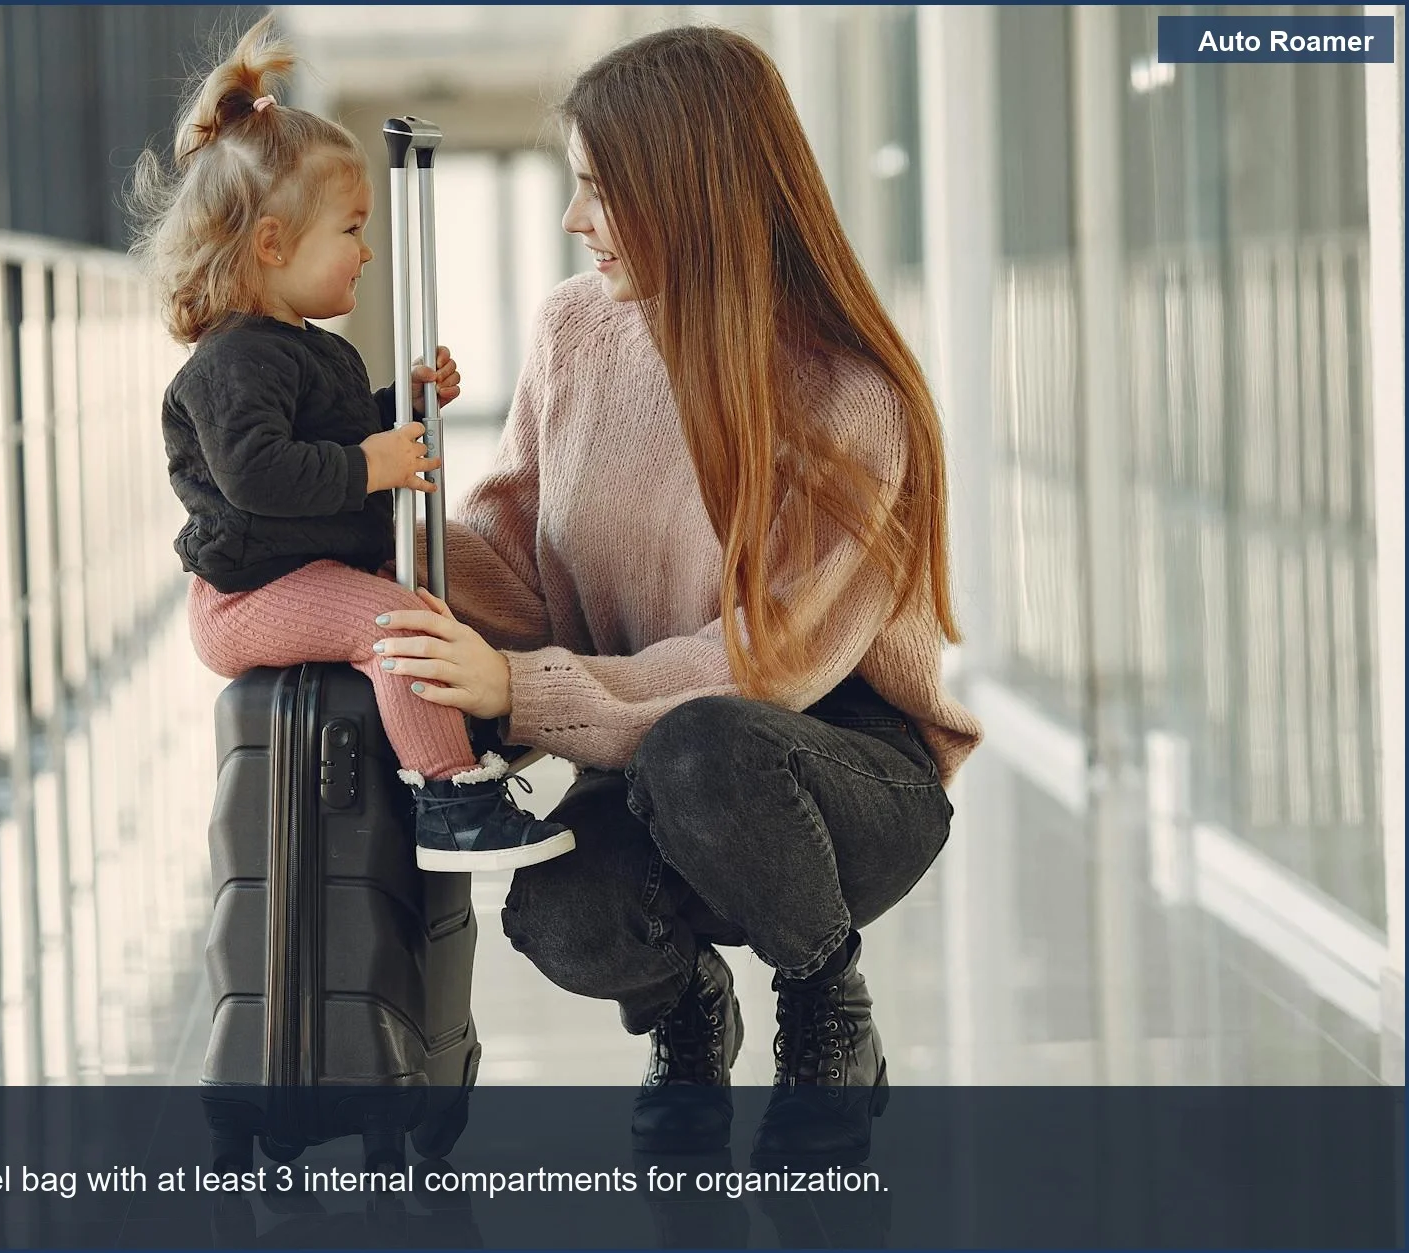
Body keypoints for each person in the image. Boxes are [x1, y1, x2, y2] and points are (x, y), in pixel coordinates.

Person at [371, 25, 983, 1160]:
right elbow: (516, 556)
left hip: (834, 770)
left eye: (599, 191)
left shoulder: (848, 396)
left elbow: (763, 665)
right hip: (646, 748)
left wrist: (519, 688)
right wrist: (390, 514)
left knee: (705, 746)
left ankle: (822, 1006)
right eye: (571, 188)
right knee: (555, 907)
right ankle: (687, 1012)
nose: (573, 221)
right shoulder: (573, 330)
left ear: (688, 189)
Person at [129, 17, 575, 873]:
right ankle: (449, 797)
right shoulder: (232, 360)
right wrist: (375, 462)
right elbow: (261, 473)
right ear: (271, 245)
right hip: (246, 596)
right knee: (394, 623)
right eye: (351, 230)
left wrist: (396, 407)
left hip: (303, 569)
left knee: (428, 603)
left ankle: (469, 726)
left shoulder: (307, 346)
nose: (368, 252)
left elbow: (327, 436)